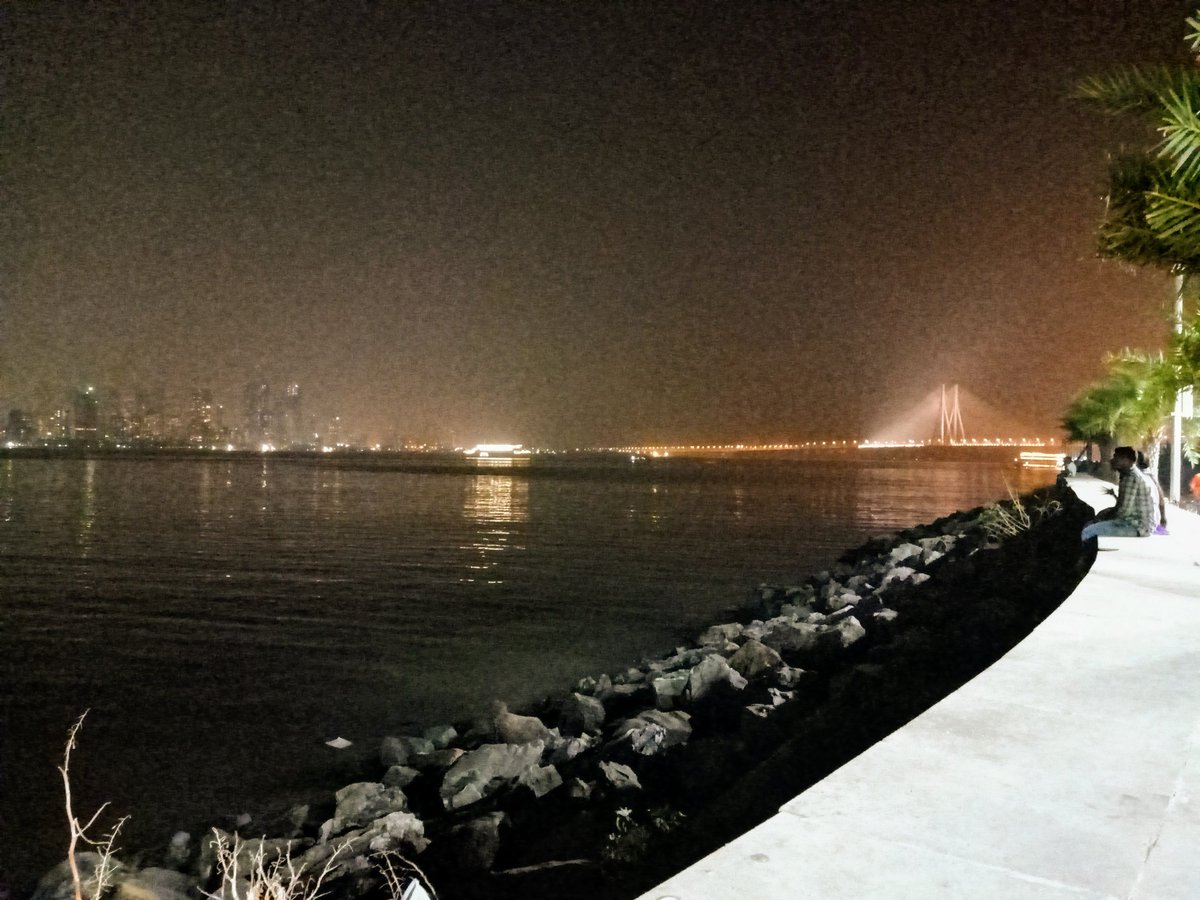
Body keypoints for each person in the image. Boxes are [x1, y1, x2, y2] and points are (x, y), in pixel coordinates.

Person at [1081, 446, 1156, 543]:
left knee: (1087, 531)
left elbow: (1125, 511)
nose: (1112, 460)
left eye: (1116, 458)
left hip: (1137, 526)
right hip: (1135, 523)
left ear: (1126, 460)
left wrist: (1105, 518)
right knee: (1090, 523)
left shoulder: (1132, 478)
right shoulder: (1128, 475)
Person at [1135, 451, 1167, 534]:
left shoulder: (1139, 477)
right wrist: (1163, 518)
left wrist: (1163, 519)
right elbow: (1161, 499)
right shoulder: (1150, 476)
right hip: (1153, 520)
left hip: (1143, 522)